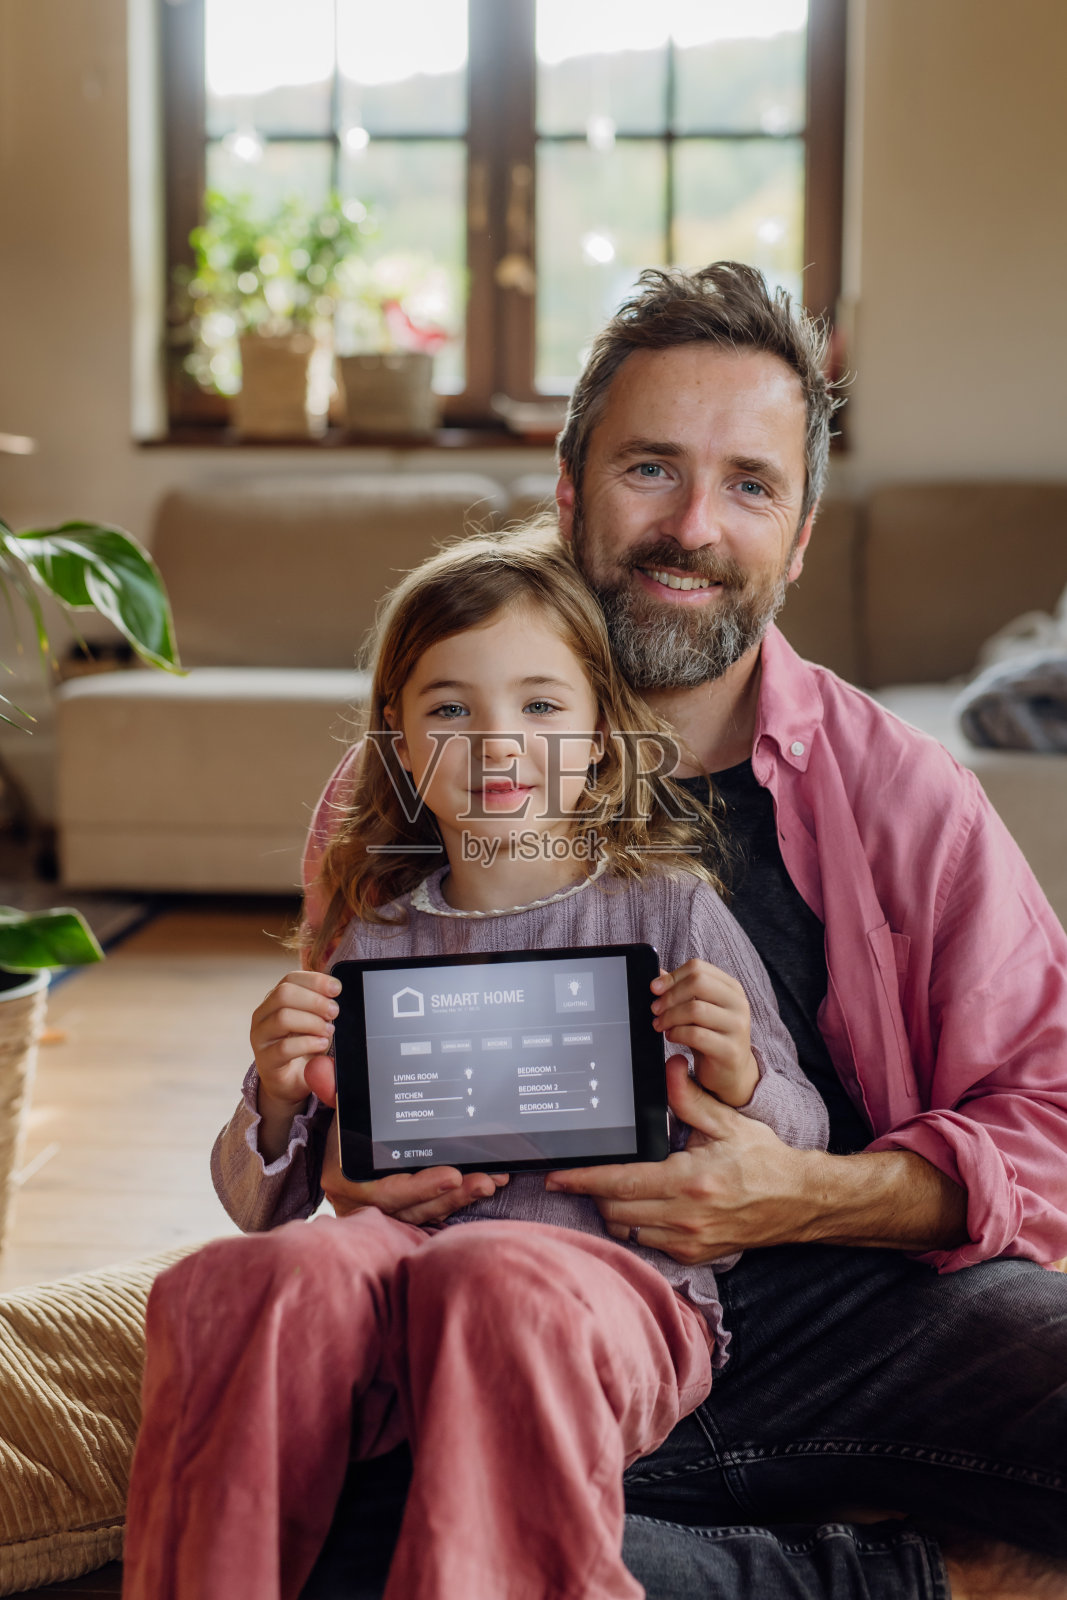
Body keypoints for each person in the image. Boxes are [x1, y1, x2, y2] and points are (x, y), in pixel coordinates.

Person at [298, 264, 1067, 1600]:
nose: (691, 527)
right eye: (649, 468)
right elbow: (332, 1098)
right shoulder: (406, 785)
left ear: (799, 535)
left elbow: (1047, 1116)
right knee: (340, 1535)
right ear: (568, 491)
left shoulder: (900, 791)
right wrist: (347, 1164)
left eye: (748, 485)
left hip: (851, 1313)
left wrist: (808, 1192)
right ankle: (923, 1578)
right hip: (525, 1320)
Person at [121, 534, 829, 1600]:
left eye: (540, 706)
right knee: (236, 1283)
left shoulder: (670, 908)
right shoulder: (373, 937)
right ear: (400, 747)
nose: (499, 744)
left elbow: (800, 1136)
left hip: (609, 1290)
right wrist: (274, 1092)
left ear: (600, 737)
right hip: (399, 1278)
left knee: (486, 1271)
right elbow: (260, 1207)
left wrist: (740, 1076)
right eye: (450, 710)